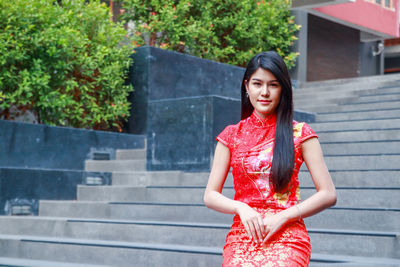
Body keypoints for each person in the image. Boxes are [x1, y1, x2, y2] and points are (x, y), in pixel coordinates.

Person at [203, 51, 337, 266]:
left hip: (288, 234)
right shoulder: (230, 135)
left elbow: (328, 194)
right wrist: (241, 208)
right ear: (247, 86)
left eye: (273, 85)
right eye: (257, 84)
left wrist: (284, 217)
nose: (264, 92)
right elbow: (210, 195)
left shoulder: (300, 133)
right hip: (244, 232)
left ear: (282, 88)